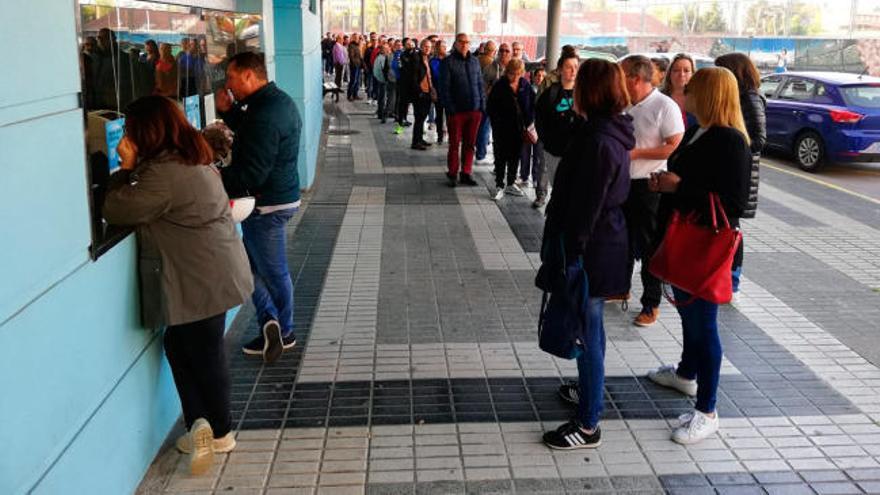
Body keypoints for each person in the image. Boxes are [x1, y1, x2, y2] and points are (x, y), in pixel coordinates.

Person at [103, 95, 253, 475]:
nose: (127, 139)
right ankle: (201, 423)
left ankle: (217, 430)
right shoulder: (189, 156)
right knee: (187, 345)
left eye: (131, 132)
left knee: (202, 350)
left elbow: (118, 207)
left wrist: (124, 168)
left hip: (203, 277)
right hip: (213, 271)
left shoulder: (164, 173)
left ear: (146, 132)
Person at [646, 67, 752, 445]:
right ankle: (687, 374)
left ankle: (707, 410)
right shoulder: (699, 130)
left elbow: (735, 203)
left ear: (708, 94)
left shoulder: (732, 141)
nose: (684, 92)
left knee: (704, 323)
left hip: (707, 242)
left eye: (692, 88)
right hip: (686, 234)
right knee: (691, 314)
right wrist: (671, 185)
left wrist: (681, 185)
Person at [541, 59, 634, 450]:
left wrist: (571, 257)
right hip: (597, 244)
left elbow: (586, 207)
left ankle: (589, 423)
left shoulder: (600, 140)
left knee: (588, 331)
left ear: (592, 90)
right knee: (589, 327)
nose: (573, 87)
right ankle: (587, 393)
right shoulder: (601, 130)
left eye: (580, 82)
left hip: (592, 250)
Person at [214, 52, 301, 363]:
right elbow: (253, 133)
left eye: (231, 79)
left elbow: (253, 171)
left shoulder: (266, 112)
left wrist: (211, 178)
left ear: (249, 76)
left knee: (269, 270)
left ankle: (283, 329)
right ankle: (271, 323)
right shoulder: (271, 103)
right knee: (252, 267)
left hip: (268, 205)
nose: (228, 86)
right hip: (277, 197)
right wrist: (229, 113)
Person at [619, 55, 684, 327]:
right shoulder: (625, 105)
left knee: (648, 246)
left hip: (649, 185)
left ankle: (651, 303)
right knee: (620, 240)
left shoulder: (663, 105)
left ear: (635, 78)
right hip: (623, 183)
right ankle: (620, 286)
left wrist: (637, 154)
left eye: (622, 76)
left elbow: (673, 144)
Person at [714, 52, 767, 297]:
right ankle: (724, 275)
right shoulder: (734, 96)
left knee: (731, 225)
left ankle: (732, 278)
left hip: (739, 172)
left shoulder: (751, 98)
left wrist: (732, 148)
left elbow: (758, 139)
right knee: (726, 223)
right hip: (728, 169)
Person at [534, 51, 581, 208]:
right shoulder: (551, 93)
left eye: (576, 66)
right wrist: (546, 140)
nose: (573, 71)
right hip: (554, 150)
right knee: (558, 187)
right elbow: (539, 118)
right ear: (560, 70)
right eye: (569, 67)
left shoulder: (583, 94)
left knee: (573, 190)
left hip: (576, 152)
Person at [439, 32, 485, 187]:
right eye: (461, 41)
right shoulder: (448, 62)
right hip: (456, 112)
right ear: (456, 43)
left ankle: (466, 172)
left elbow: (480, 84)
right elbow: (444, 88)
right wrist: (450, 108)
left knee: (470, 144)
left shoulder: (474, 61)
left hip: (474, 110)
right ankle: (452, 173)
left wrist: (481, 105)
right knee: (454, 144)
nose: (465, 44)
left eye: (467, 42)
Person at [487, 59, 532, 200]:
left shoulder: (525, 85)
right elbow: (490, 107)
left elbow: (531, 105)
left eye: (519, 74)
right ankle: (499, 185)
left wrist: (529, 123)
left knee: (515, 156)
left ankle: (511, 183)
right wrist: (496, 123)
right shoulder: (500, 85)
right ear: (507, 72)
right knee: (500, 156)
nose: (515, 77)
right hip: (501, 128)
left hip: (519, 128)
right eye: (513, 73)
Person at [477, 42, 510, 162]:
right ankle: (481, 154)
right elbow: (482, 86)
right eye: (501, 50)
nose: (504, 53)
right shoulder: (490, 67)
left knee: (501, 134)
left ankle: (500, 159)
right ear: (496, 52)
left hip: (507, 106)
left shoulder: (513, 67)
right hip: (490, 103)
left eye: (507, 51)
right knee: (485, 128)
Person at [518, 67, 545, 188]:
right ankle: (524, 176)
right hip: (528, 126)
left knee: (538, 155)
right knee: (525, 153)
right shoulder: (527, 89)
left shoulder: (547, 91)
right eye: (538, 75)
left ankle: (535, 178)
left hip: (540, 128)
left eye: (542, 76)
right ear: (533, 77)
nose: (539, 78)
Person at [409, 39, 434, 151]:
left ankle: (420, 139)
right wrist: (418, 91)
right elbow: (413, 77)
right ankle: (416, 142)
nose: (427, 48)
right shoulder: (416, 58)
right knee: (419, 118)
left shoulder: (427, 58)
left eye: (429, 46)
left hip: (427, 91)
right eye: (425, 46)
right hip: (420, 93)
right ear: (421, 46)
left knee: (423, 117)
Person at [661, 53, 697, 128]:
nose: (681, 74)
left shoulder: (700, 98)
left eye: (686, 71)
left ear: (693, 74)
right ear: (669, 73)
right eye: (676, 70)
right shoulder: (659, 97)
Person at [429, 39, 447, 144]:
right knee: (439, 113)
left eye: (445, 47)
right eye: (441, 47)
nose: (444, 48)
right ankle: (440, 135)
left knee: (450, 114)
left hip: (448, 92)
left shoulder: (449, 60)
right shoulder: (432, 61)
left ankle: (450, 134)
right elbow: (430, 76)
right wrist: (432, 89)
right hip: (437, 90)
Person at [373, 42, 391, 124]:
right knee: (383, 97)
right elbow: (380, 71)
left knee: (381, 97)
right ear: (381, 50)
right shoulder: (381, 58)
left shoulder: (381, 57)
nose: (387, 50)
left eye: (388, 48)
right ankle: (381, 113)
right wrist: (383, 79)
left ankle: (380, 112)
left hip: (381, 80)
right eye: (385, 49)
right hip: (383, 80)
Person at [347, 33, 363, 101]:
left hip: (359, 66)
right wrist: (355, 64)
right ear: (353, 38)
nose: (357, 39)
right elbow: (351, 57)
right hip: (354, 66)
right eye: (355, 38)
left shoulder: (358, 46)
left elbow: (360, 56)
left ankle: (355, 94)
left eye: (358, 37)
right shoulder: (351, 45)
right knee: (353, 81)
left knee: (357, 81)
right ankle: (349, 95)